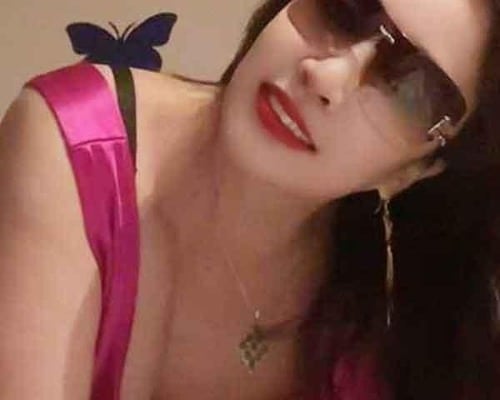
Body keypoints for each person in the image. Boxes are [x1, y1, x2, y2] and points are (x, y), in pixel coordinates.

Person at [0, 0, 499, 399]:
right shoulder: (78, 143)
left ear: (424, 167)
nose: (325, 77)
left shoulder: (386, 303)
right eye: (344, 8)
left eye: (411, 90)